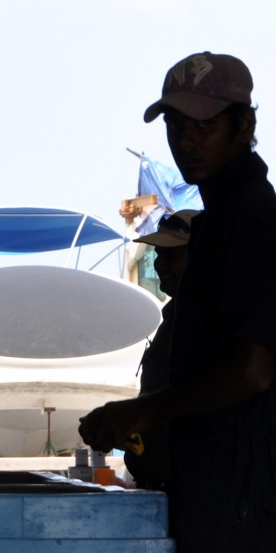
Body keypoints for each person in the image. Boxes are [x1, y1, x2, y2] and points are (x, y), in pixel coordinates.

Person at [79, 51, 276, 553]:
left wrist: (138, 412)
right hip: (223, 502)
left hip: (246, 510)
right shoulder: (224, 222)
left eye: (205, 125)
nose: (187, 141)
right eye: (176, 126)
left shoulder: (250, 221)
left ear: (244, 126)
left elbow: (252, 370)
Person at [125, 208, 197, 492]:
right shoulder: (176, 317)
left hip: (191, 488)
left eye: (171, 256)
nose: (160, 265)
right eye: (158, 255)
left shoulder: (209, 322)